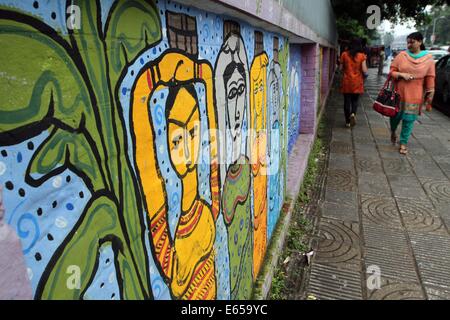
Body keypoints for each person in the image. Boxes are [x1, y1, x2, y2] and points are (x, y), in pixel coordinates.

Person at [389, 32, 435, 155]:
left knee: (408, 120)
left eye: (412, 42)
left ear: (420, 42)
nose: (409, 45)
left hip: (415, 96)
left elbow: (430, 78)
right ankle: (393, 131)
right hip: (399, 93)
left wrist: (430, 94)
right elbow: (392, 72)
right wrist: (401, 74)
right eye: (408, 42)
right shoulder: (401, 56)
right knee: (395, 117)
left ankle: (403, 143)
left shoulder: (428, 59)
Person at [339, 38, 368, 127]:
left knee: (346, 101)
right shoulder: (362, 56)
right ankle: (353, 114)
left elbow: (340, 68)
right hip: (357, 82)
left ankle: (347, 122)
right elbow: (364, 70)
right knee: (355, 101)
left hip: (347, 81)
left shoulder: (344, 54)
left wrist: (344, 71)